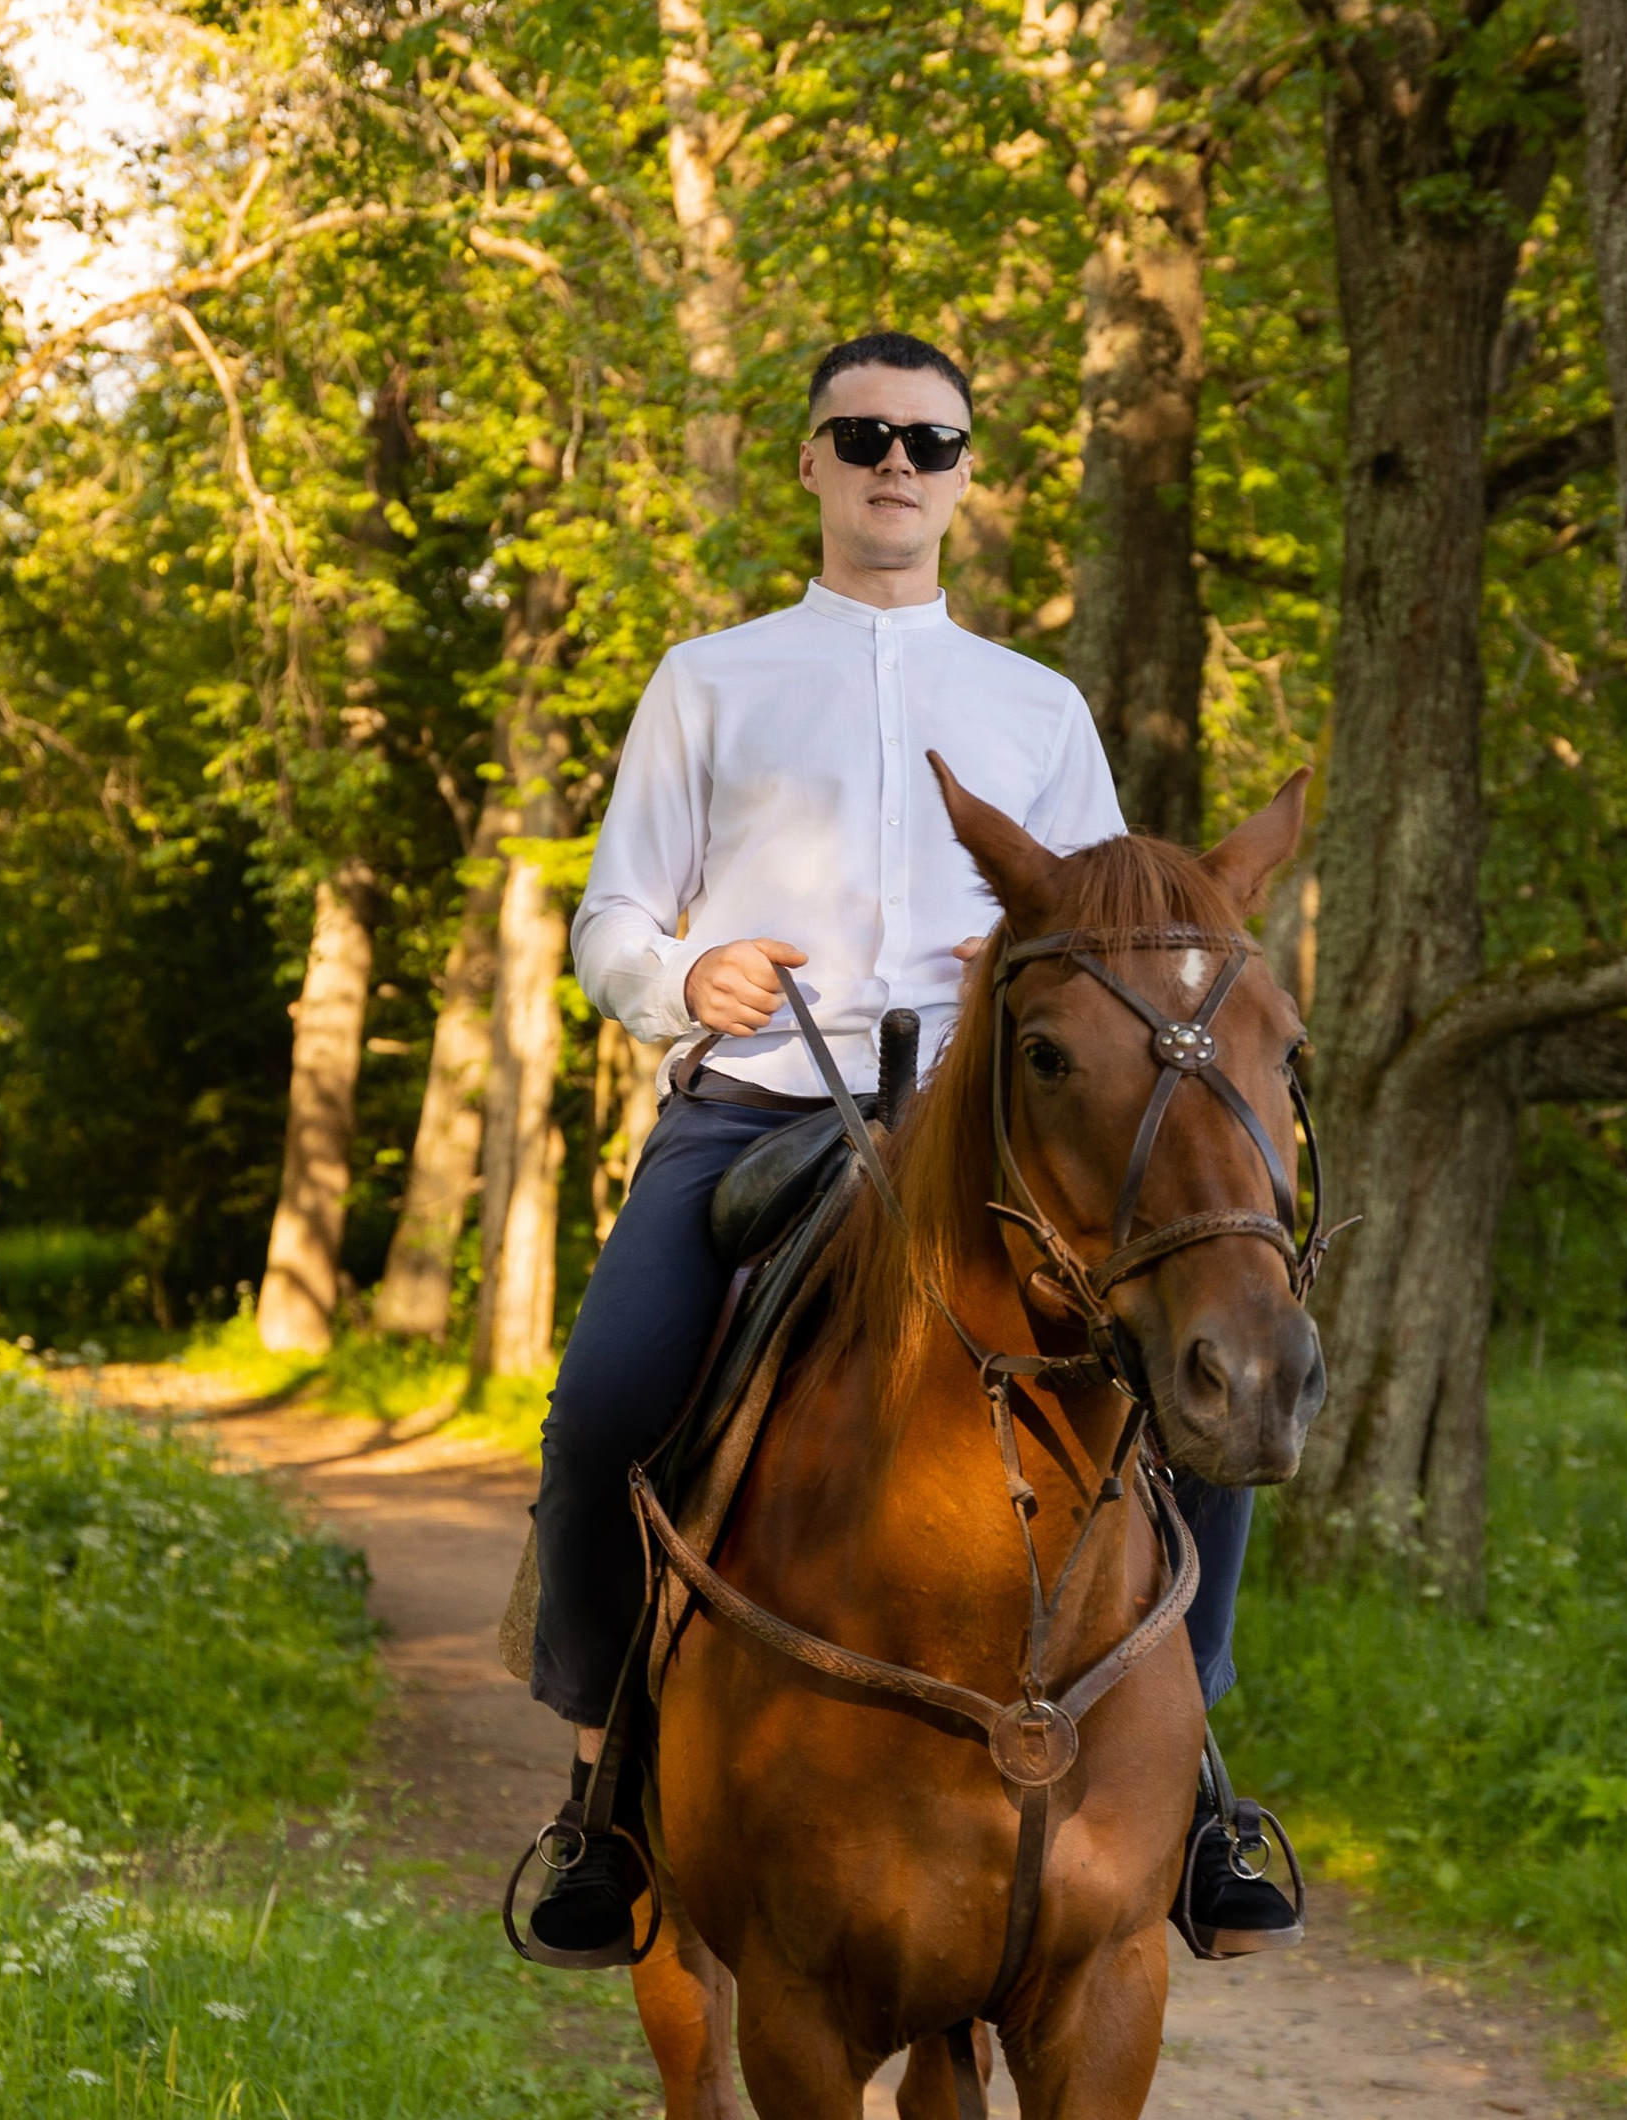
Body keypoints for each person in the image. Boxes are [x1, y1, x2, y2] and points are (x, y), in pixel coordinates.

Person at [526, 327, 1300, 1960]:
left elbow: (1103, 933)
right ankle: (602, 1795)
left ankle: (1203, 1787)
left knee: (1196, 1374)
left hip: (992, 1135)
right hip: (760, 1105)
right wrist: (683, 973)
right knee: (603, 1405)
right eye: (864, 436)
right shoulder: (708, 679)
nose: (897, 466)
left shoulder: (1035, 703)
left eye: (930, 446)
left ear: (962, 481)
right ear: (810, 461)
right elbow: (607, 916)